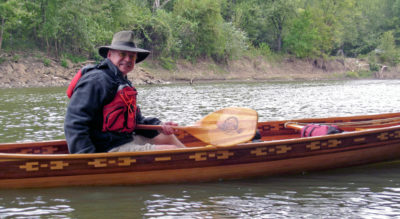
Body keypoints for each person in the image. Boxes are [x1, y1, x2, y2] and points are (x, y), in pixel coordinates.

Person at [64, 30, 185, 153]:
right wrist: (86, 158)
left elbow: (136, 121)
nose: (128, 59)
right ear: (110, 55)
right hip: (106, 148)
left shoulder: (121, 81)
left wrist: (159, 125)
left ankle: (197, 163)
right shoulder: (96, 80)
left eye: (132, 56)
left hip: (123, 140)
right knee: (171, 151)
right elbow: (74, 122)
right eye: (122, 54)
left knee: (167, 137)